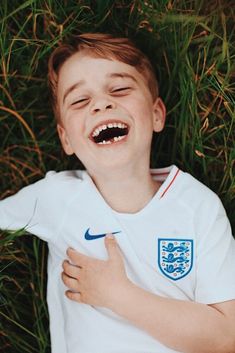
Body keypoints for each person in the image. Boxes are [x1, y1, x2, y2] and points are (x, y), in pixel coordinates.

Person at [0, 33, 235, 353]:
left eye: (120, 89)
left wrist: (118, 295)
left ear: (156, 114)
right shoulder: (57, 198)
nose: (101, 103)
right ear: (66, 138)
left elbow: (226, 337)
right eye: (80, 100)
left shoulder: (198, 207)